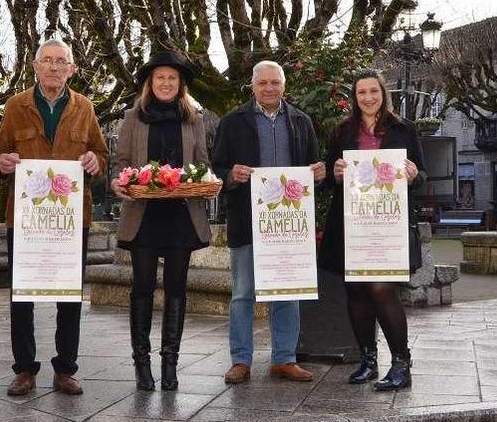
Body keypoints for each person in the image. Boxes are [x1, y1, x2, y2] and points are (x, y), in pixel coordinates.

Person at [0, 39, 108, 396]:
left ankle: (65, 369)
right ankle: (24, 369)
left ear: (71, 69)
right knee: (21, 295)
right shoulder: (16, 106)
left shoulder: (85, 107)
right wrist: (2, 162)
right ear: (35, 66)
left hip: (70, 219)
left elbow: (100, 153)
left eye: (61, 62)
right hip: (25, 219)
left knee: (69, 295)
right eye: (47, 61)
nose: (54, 67)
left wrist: (94, 162)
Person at [212, 60, 326, 385]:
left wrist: (318, 174)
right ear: (252, 86)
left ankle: (284, 359)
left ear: (284, 85)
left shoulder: (301, 122)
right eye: (262, 83)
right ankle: (240, 360)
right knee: (243, 293)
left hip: (289, 224)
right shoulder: (232, 122)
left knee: (287, 290)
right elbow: (216, 168)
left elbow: (312, 170)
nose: (269, 88)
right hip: (247, 220)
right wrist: (229, 175)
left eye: (274, 82)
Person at [110, 51, 211, 391]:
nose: (166, 83)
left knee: (177, 290)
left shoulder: (194, 118)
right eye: (159, 78)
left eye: (172, 78)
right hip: (144, 216)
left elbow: (202, 164)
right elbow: (120, 163)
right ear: (150, 84)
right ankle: (142, 364)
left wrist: (206, 182)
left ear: (180, 84)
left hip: (181, 214)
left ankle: (170, 364)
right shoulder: (132, 118)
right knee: (141, 288)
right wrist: (118, 182)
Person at [320, 68, 425, 391]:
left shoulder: (404, 129)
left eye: (373, 92)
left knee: (380, 289)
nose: (368, 97)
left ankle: (401, 364)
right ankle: (368, 360)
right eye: (361, 92)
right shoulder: (341, 132)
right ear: (354, 97)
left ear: (383, 94)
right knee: (355, 291)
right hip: (350, 223)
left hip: (387, 224)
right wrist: (334, 172)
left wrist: (413, 174)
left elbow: (423, 177)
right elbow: (327, 178)